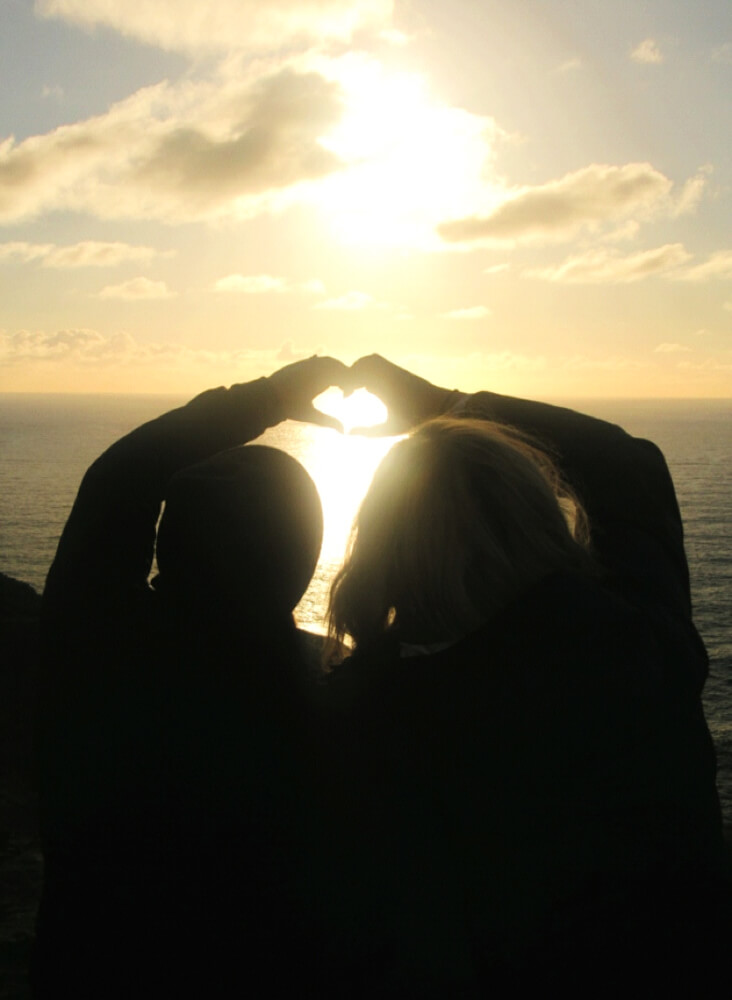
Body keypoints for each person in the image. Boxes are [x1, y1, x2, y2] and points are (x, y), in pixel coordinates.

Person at [321, 355, 731, 995]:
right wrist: (449, 404)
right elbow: (627, 463)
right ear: (540, 518)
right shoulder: (641, 652)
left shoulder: (366, 725)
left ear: (381, 548)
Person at [33, 356, 351, 998]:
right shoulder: (345, 701)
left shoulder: (97, 640)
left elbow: (119, 476)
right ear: (302, 554)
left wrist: (268, 396)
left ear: (169, 537)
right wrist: (452, 413)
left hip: (85, 968)